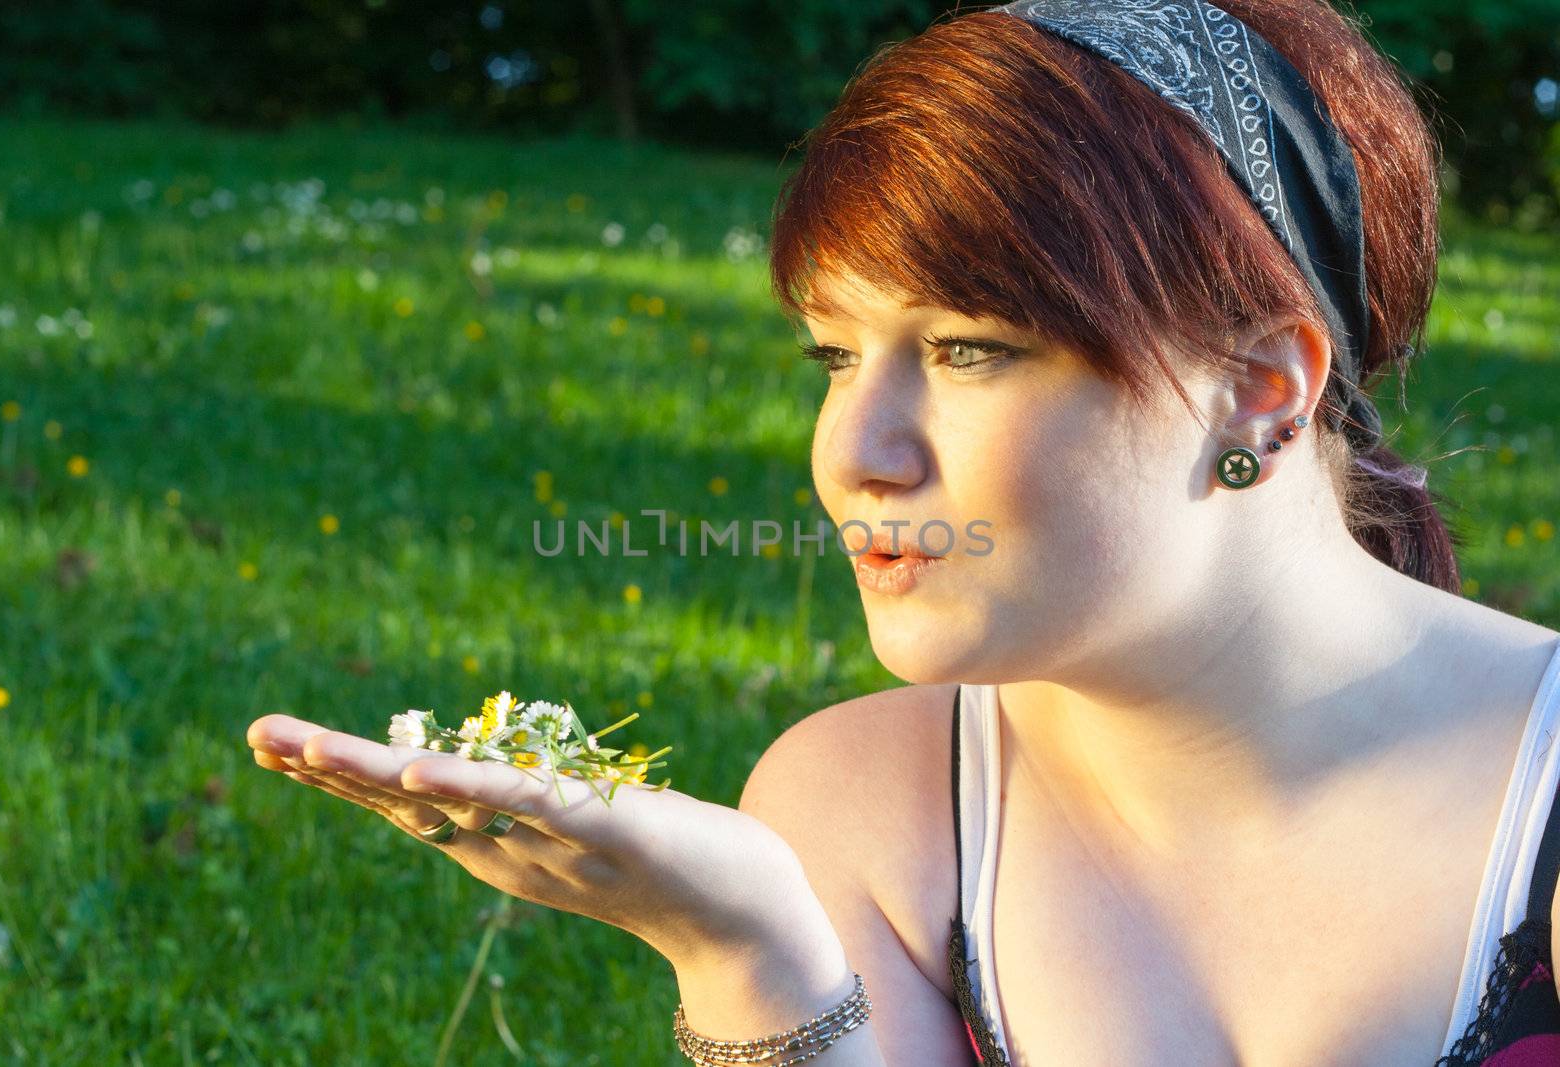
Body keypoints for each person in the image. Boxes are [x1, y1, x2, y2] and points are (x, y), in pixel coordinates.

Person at [246, 0, 1560, 1063]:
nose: (852, 457)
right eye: (832, 356)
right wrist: (745, 955)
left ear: (1261, 390)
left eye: (967, 349)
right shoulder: (866, 810)